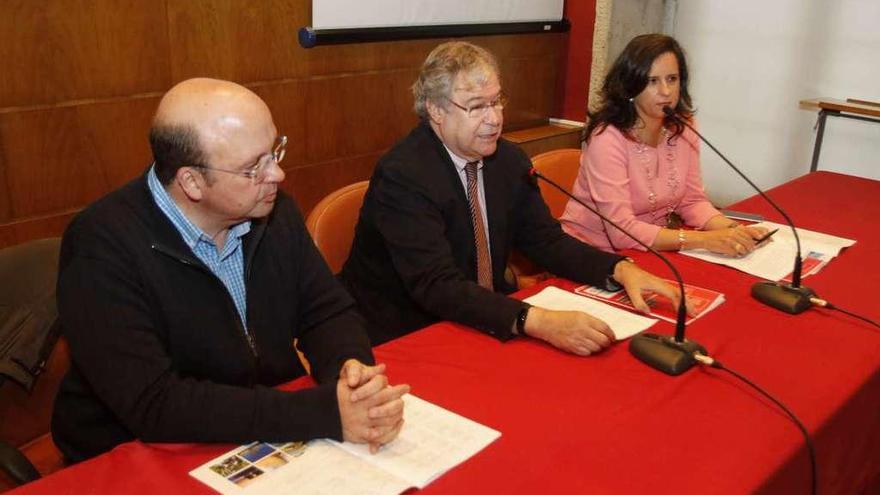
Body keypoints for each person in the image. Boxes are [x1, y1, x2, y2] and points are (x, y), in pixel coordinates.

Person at [52, 78, 408, 462]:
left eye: (274, 152)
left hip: (260, 424)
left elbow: (325, 310)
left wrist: (350, 371)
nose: (277, 175)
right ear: (191, 181)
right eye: (253, 167)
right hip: (138, 450)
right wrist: (324, 413)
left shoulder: (271, 211)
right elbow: (156, 404)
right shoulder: (102, 245)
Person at [340, 41, 681, 356]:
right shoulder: (404, 174)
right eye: (476, 107)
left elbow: (546, 241)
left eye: (496, 101)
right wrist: (537, 321)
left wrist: (619, 269)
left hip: (482, 315)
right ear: (436, 110)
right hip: (405, 334)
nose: (494, 118)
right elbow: (436, 285)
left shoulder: (508, 161)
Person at [559, 34, 768, 255]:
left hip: (651, 250)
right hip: (590, 254)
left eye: (672, 79)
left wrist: (733, 231)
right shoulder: (607, 137)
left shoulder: (683, 126)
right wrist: (705, 240)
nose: (666, 92)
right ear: (631, 86)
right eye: (652, 81)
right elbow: (622, 233)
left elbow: (692, 200)